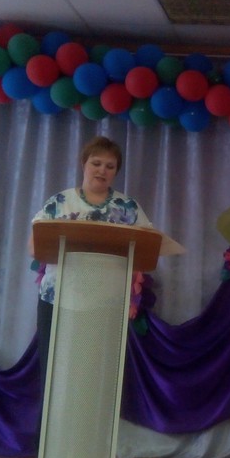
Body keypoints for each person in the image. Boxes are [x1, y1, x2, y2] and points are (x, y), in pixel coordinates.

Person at [28, 136, 152, 388]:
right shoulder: (59, 203)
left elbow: (148, 246)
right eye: (96, 163)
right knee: (53, 374)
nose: (102, 170)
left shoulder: (128, 208)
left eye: (110, 166)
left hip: (103, 305)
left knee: (92, 376)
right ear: (83, 164)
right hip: (57, 300)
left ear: (116, 172)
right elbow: (34, 246)